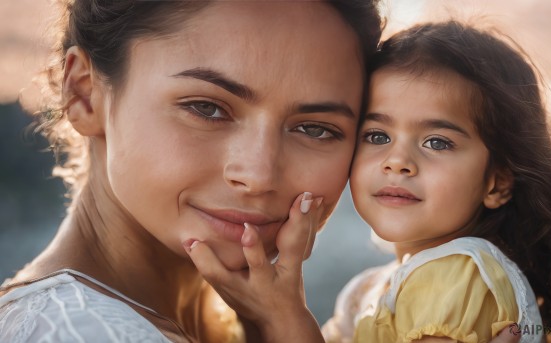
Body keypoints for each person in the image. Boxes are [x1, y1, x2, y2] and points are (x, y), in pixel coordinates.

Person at [194, 21, 551, 343]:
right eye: (377, 137)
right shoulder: (371, 289)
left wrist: (287, 318)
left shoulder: (458, 275)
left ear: (497, 184)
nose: (398, 162)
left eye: (437, 142)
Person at [0, 0, 382, 342]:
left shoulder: (226, 323)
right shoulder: (79, 332)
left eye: (315, 129)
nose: (259, 176)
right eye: (206, 108)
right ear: (84, 93)